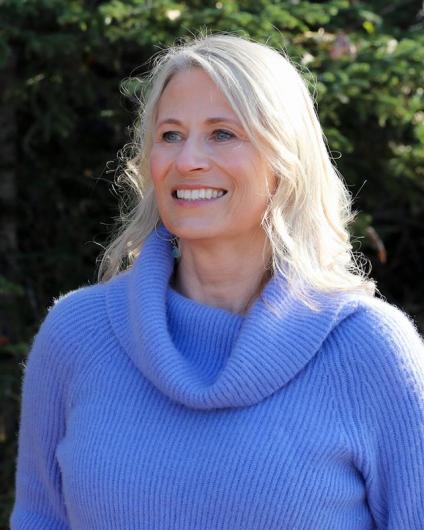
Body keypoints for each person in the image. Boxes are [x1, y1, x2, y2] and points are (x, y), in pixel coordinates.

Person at [10, 33, 424, 530]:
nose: (188, 160)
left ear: (285, 159)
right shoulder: (76, 334)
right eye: (170, 135)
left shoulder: (369, 349)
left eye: (223, 133)